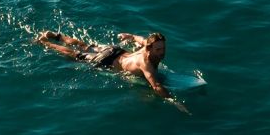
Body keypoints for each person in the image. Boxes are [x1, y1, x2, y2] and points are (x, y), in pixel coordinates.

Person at [36, 29, 183, 109]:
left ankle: (55, 35)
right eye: (158, 50)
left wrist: (130, 36)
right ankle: (45, 42)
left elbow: (138, 38)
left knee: (85, 46)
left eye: (163, 48)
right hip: (107, 59)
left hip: (115, 50)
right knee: (74, 54)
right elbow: (156, 86)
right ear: (150, 49)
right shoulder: (146, 64)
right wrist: (174, 102)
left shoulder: (148, 44)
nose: (162, 52)